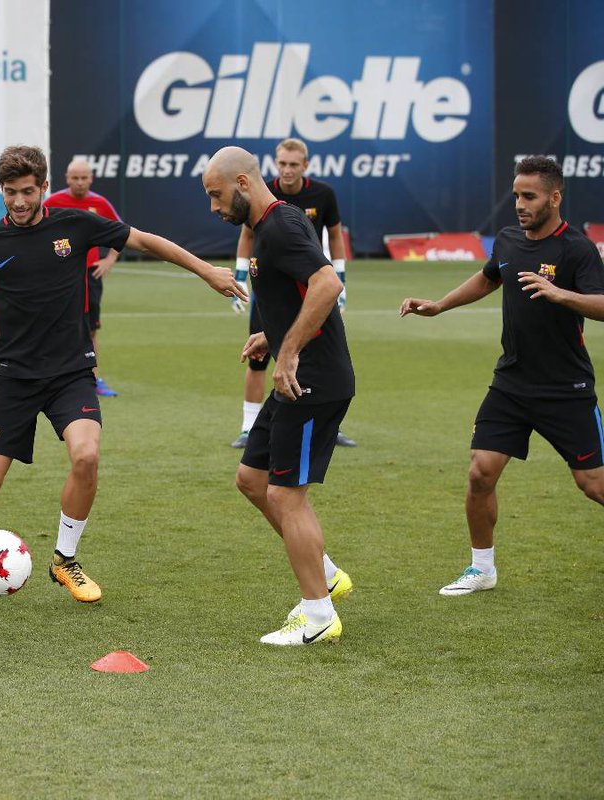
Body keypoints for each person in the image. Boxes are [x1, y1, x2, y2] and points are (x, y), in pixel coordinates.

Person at [0, 145, 246, 602]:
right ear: (1, 190)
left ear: (44, 188)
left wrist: (205, 271)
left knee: (86, 456)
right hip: (15, 378)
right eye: (10, 192)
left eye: (28, 191)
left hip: (71, 374)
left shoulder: (76, 225)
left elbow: (145, 241)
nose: (19, 201)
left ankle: (65, 560)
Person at [400, 156, 604, 596]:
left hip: (565, 389)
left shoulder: (578, 249)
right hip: (511, 383)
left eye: (529, 196)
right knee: (480, 473)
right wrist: (439, 305)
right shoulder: (509, 240)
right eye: (516, 195)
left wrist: (561, 294)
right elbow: (489, 277)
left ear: (554, 197)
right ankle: (482, 569)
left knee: (593, 484)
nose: (519, 204)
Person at [203, 146, 355, 645]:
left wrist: (287, 353)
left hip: (311, 382)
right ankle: (325, 573)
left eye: (217, 195)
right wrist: (273, 336)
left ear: (243, 183)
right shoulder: (273, 224)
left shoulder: (281, 227)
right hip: (297, 378)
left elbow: (326, 284)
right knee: (252, 479)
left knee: (286, 495)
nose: (214, 207)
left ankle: (318, 616)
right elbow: (298, 292)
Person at [229, 138, 356, 449]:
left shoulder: (323, 194)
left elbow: (335, 235)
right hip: (271, 288)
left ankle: (327, 425)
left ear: (305, 166)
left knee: (319, 354)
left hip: (312, 287)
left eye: (293, 164)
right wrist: (241, 275)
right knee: (257, 357)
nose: (286, 170)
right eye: (282, 163)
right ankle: (248, 426)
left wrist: (340, 276)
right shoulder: (263, 192)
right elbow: (247, 234)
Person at [43, 158, 123, 397]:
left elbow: (121, 232)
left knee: (90, 329)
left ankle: (94, 379)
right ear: (67, 178)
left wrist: (109, 259)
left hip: (89, 275)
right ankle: (53, 377)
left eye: (84, 178)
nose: (79, 182)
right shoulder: (53, 202)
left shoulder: (99, 203)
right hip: (60, 276)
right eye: (75, 178)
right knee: (55, 326)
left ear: (91, 179)